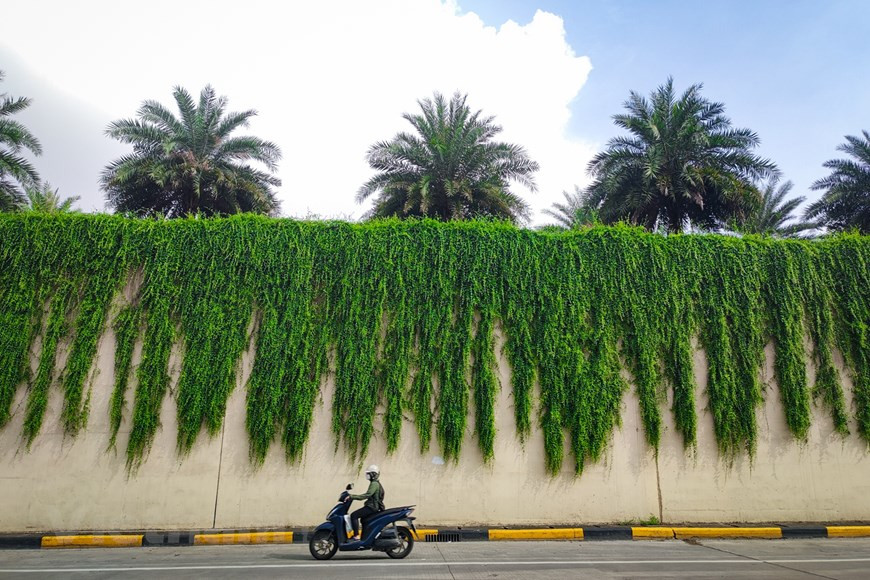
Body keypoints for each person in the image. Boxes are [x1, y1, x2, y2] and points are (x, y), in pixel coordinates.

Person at [349, 464, 385, 540]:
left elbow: (367, 495)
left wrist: (352, 497)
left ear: (373, 474)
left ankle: (356, 536)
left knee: (354, 515)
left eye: (368, 473)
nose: (367, 475)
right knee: (363, 520)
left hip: (372, 507)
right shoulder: (375, 483)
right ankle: (365, 537)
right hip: (372, 506)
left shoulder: (374, 484)